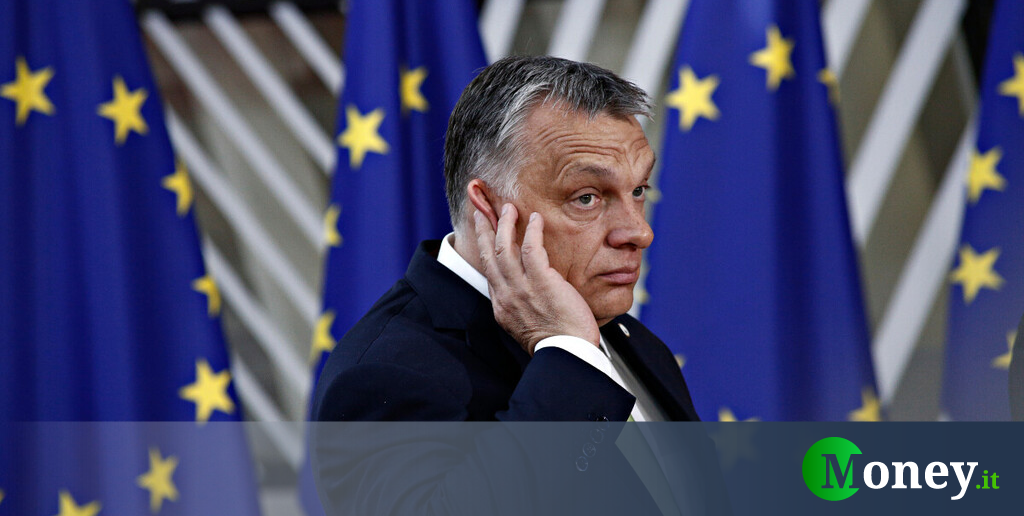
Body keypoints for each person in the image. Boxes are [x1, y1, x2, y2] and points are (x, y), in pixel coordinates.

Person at [312, 55, 699, 423]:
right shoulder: (383, 376)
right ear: (488, 208)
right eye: (586, 198)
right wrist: (572, 355)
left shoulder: (633, 340)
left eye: (638, 190)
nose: (640, 232)